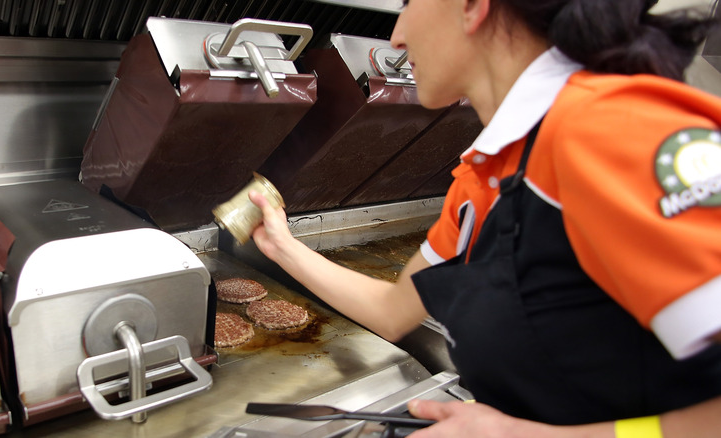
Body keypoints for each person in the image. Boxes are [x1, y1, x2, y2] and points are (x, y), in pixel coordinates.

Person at [248, 0, 721, 436]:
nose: (395, 35)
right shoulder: (485, 175)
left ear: (473, 6)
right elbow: (393, 312)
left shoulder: (613, 131)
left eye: (410, 3)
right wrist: (282, 246)